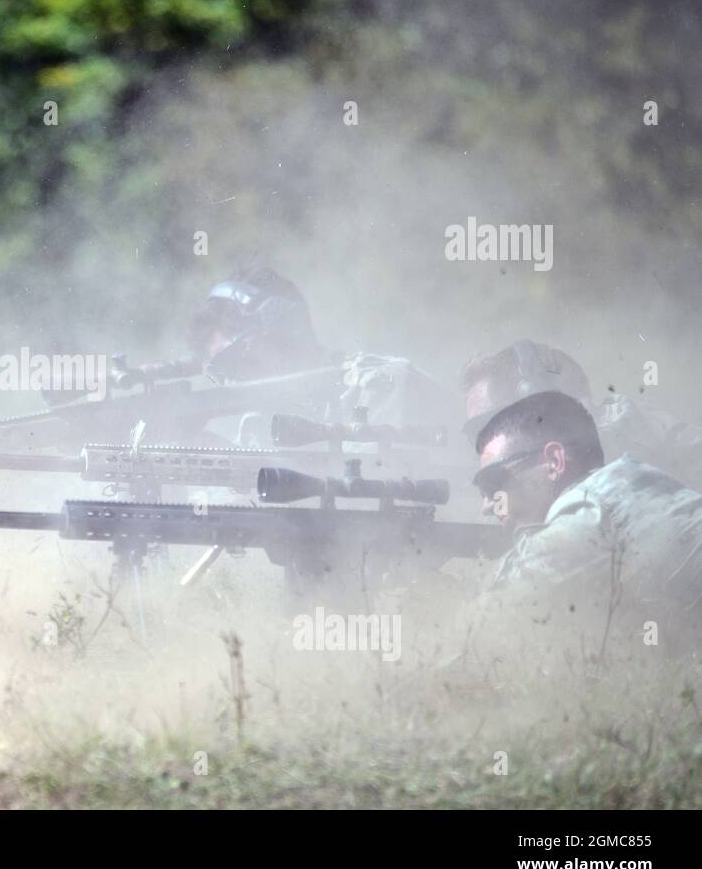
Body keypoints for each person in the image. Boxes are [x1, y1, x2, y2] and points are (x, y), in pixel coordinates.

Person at [470, 390, 702, 649]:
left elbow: (482, 631)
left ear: (554, 461)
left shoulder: (590, 511)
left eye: (493, 483)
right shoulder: (626, 486)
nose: (487, 507)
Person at [184, 268, 457, 439]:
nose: (234, 381)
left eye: (236, 360)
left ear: (282, 329)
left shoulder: (381, 386)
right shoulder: (249, 427)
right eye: (222, 372)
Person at [459, 339, 702, 485]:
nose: (481, 446)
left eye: (489, 427)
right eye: (475, 434)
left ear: (541, 407)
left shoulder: (625, 458)